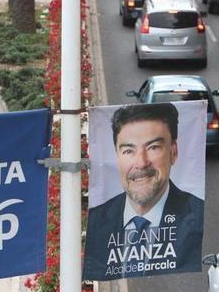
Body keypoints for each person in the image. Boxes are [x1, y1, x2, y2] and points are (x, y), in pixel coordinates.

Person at [83, 103, 204, 281]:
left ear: (173, 152)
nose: (141, 162)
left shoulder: (196, 212)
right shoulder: (97, 219)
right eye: (128, 151)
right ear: (117, 156)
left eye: (153, 147)